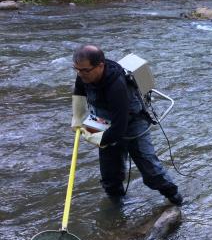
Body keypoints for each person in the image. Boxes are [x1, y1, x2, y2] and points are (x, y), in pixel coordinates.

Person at [71, 45, 182, 206]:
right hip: (102, 119)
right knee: (110, 175)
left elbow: (118, 129)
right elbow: (79, 93)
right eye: (77, 69)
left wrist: (91, 136)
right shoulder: (83, 74)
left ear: (100, 65)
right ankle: (117, 210)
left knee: (150, 171)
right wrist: (77, 119)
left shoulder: (117, 86)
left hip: (131, 122)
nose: (80, 74)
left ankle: (175, 198)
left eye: (85, 70)